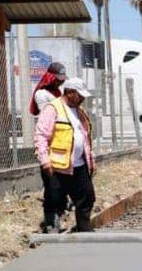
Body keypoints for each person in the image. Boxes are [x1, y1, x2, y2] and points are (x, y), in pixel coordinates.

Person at [35, 78, 97, 233]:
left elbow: (85, 138)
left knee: (87, 196)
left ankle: (83, 228)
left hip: (79, 165)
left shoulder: (80, 111)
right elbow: (41, 135)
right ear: (69, 93)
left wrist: (91, 160)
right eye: (80, 95)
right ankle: (52, 228)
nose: (82, 99)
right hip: (56, 166)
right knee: (54, 198)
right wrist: (45, 160)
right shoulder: (53, 109)